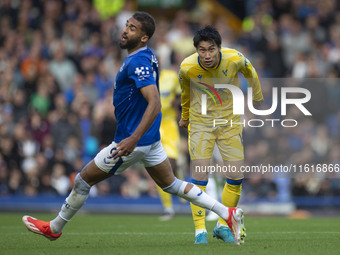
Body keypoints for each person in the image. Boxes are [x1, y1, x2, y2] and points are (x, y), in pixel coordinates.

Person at [22, 12, 246, 246]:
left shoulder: (138, 62)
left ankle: (55, 227)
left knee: (82, 180)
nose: (125, 30)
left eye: (132, 28)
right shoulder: (147, 56)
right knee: (173, 185)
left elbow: (155, 102)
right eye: (127, 26)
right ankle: (228, 213)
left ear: (143, 37)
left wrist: (133, 139)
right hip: (150, 141)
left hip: (132, 142)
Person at [178, 25, 263, 244]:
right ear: (196, 49)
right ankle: (200, 231)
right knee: (200, 176)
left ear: (219, 48)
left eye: (211, 49)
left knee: (235, 177)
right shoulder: (187, 67)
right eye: (202, 50)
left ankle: (222, 226)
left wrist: (257, 97)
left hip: (229, 123)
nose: (206, 55)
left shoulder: (234, 58)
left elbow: (251, 71)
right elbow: (186, 93)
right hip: (200, 123)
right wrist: (185, 116)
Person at [156, 68, 182, 221]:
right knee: (158, 166)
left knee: (171, 164)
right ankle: (168, 208)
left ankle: (178, 180)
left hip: (169, 124)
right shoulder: (143, 78)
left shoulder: (171, 77)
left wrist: (176, 102)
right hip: (152, 125)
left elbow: (182, 95)